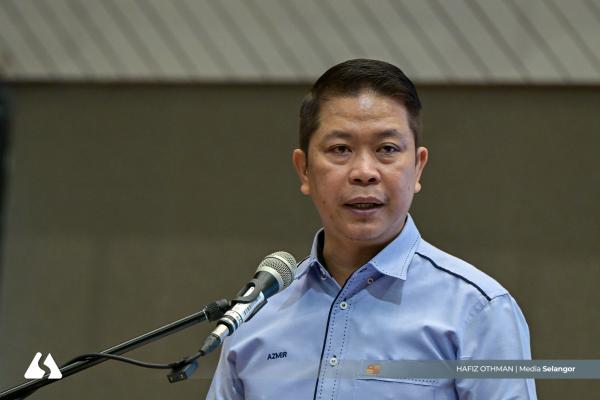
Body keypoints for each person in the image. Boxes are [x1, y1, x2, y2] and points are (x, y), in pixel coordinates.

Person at [206, 59, 537, 399]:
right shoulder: (257, 313)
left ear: (418, 166)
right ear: (304, 169)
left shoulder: (479, 311)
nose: (364, 172)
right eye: (340, 149)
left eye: (387, 149)